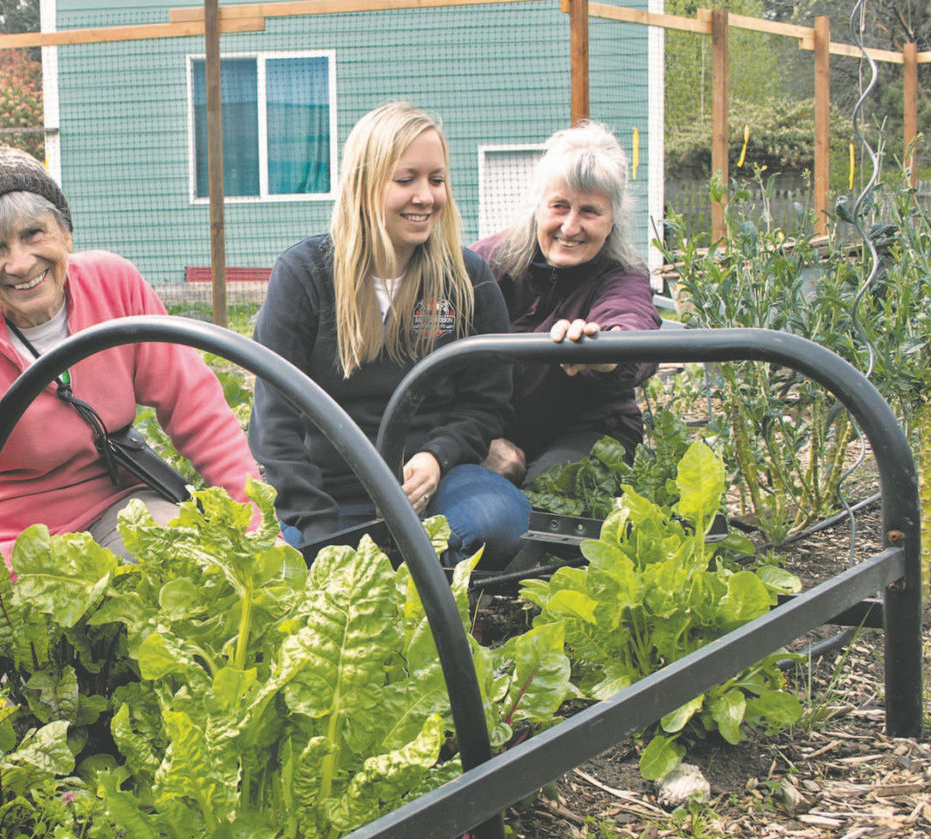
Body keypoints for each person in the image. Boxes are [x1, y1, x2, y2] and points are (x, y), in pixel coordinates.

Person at [0, 146, 262, 632]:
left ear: (65, 232)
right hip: (26, 547)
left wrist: (258, 530)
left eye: (34, 233)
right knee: (79, 641)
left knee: (193, 570)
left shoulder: (114, 285)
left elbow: (197, 408)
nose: (20, 263)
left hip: (122, 507)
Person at [247, 102, 529, 567]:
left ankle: (432, 587)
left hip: (438, 484)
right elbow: (274, 424)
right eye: (406, 179)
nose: (426, 196)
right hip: (332, 485)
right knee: (300, 559)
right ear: (364, 183)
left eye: (436, 180)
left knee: (495, 522)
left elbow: (485, 402)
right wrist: (321, 536)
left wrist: (437, 457)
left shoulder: (466, 277)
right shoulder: (304, 274)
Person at [471, 120, 661, 486]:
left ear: (613, 220)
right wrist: (473, 440)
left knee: (550, 495)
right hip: (488, 431)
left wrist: (600, 349)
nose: (570, 227)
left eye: (589, 211)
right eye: (559, 206)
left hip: (588, 431)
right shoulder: (484, 266)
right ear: (538, 206)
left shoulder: (623, 274)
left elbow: (631, 321)